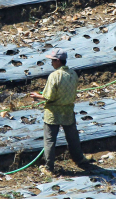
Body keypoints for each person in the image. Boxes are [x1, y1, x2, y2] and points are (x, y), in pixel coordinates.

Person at [29, 48, 92, 176]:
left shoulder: (54, 76)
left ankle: (49, 168)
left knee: (50, 141)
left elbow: (49, 97)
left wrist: (37, 96)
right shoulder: (73, 74)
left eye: (52, 61)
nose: (51, 63)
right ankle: (79, 159)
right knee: (73, 138)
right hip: (68, 110)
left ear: (58, 61)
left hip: (53, 112)